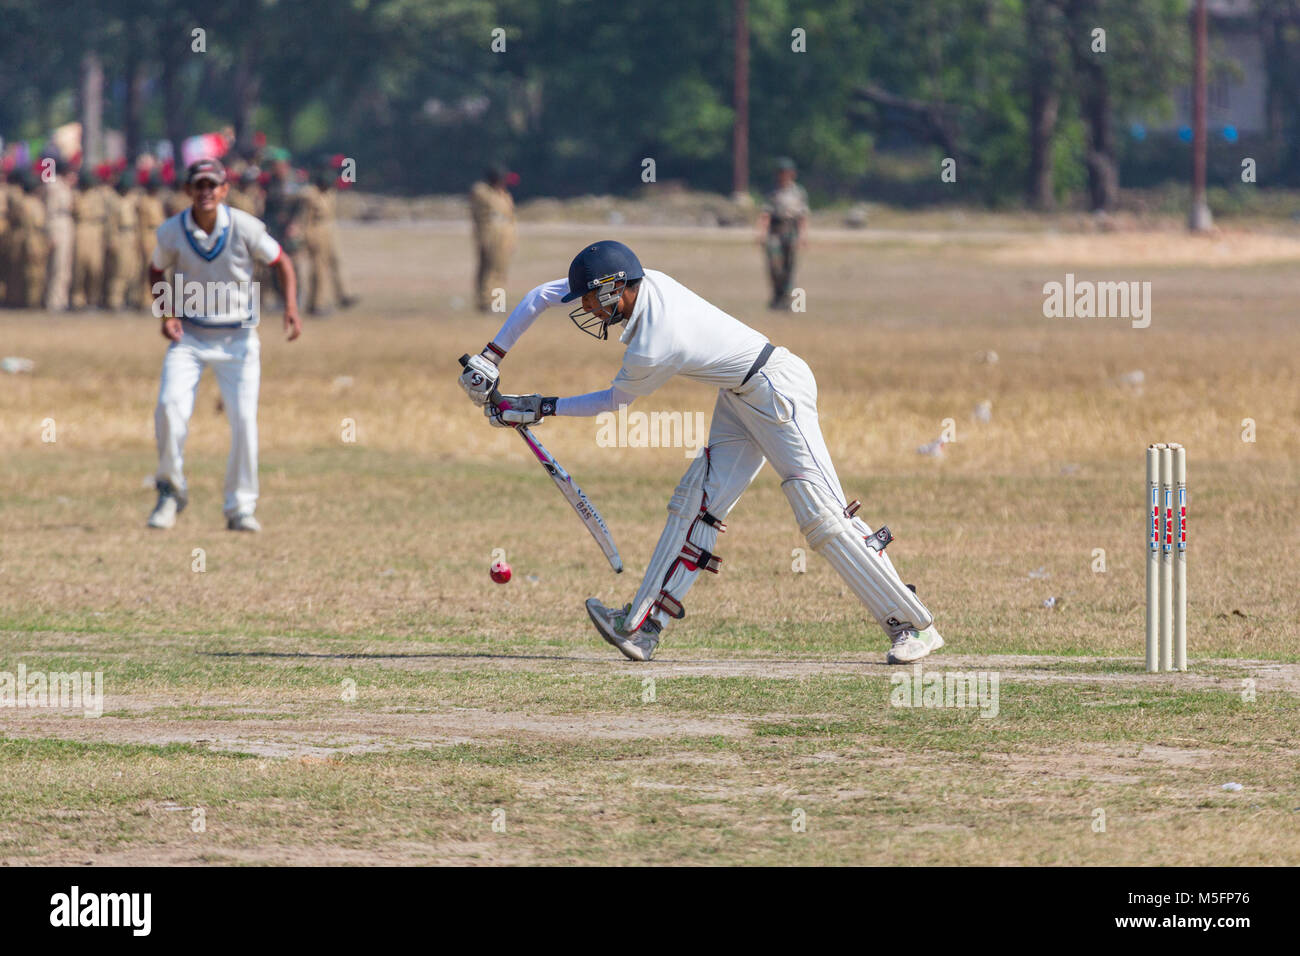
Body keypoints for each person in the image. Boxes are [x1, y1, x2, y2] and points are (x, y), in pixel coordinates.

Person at [456, 240, 944, 665]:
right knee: (697, 505)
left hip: (777, 390)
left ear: (614, 289)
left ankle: (913, 625)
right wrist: (490, 358)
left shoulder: (654, 342)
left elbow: (612, 403)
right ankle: (642, 627)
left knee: (821, 515)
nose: (588, 310)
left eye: (592, 300)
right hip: (738, 394)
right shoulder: (643, 282)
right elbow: (541, 295)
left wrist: (538, 408)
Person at [145, 158, 301, 533]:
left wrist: (291, 308)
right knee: (169, 407)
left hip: (239, 339)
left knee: (245, 421)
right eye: (199, 185)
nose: (206, 192)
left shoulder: (244, 227)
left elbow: (282, 261)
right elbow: (155, 269)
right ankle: (170, 489)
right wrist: (166, 314)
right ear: (188, 190)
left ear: (224, 190)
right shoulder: (172, 231)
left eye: (213, 185)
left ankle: (240, 507)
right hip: (191, 337)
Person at [298, 164, 357, 315]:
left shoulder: (329, 193)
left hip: (329, 230)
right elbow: (305, 220)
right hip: (316, 232)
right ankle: (317, 304)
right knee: (318, 269)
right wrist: (308, 239)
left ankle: (343, 295)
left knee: (337, 262)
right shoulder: (310, 195)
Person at [756, 157, 809, 310]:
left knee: (789, 266)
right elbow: (766, 214)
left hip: (791, 230)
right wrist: (761, 232)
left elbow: (802, 216)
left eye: (786, 172)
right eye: (780, 172)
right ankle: (776, 295)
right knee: (774, 266)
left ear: (792, 174)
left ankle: (787, 300)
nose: (783, 175)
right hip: (775, 230)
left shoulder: (798, 192)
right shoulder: (773, 192)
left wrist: (803, 236)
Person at [468, 165, 516, 312]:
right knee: (493, 273)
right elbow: (487, 203)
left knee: (498, 272)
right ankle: (492, 304)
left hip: (503, 239)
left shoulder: (503, 195)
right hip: (492, 238)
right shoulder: (483, 193)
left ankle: (492, 304)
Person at [71, 167, 109, 309]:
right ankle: (77, 299)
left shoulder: (98, 196)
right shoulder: (75, 195)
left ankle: (93, 299)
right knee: (79, 267)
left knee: (95, 267)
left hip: (96, 230)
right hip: (81, 228)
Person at [44, 160, 74, 311]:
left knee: (65, 266)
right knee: (57, 266)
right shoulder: (54, 187)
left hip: (66, 224)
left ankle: (62, 299)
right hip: (57, 225)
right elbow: (50, 212)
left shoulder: (66, 186)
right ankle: (54, 301)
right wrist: (51, 234)